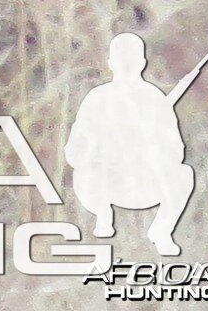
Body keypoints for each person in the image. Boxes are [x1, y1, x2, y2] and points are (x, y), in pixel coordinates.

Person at [66, 32, 197, 258]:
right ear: (110, 63)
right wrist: (97, 150)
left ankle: (162, 230)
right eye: (121, 59)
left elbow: (176, 150)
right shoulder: (96, 98)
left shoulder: (155, 99)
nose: (126, 65)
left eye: (131, 59)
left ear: (142, 63)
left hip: (145, 183)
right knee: (84, 174)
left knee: (184, 175)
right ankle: (103, 215)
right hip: (107, 183)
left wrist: (153, 150)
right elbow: (74, 149)